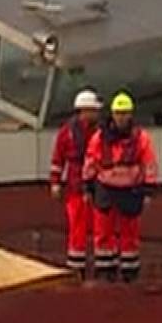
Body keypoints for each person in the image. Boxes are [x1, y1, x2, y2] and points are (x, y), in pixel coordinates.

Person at [83, 91, 159, 282]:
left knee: (130, 233)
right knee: (103, 231)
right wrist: (87, 185)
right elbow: (91, 160)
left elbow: (149, 164)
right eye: (118, 113)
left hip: (130, 189)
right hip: (105, 187)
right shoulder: (100, 138)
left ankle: (129, 272)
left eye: (125, 113)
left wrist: (149, 189)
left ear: (131, 114)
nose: (122, 117)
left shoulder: (141, 138)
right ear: (113, 114)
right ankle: (104, 271)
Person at [49, 88, 103, 275]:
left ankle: (102, 265)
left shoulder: (101, 132)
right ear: (84, 110)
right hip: (75, 187)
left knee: (101, 227)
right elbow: (58, 159)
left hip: (98, 187)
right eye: (93, 110)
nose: (96, 114)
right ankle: (76, 267)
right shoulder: (67, 133)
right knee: (77, 228)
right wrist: (55, 183)